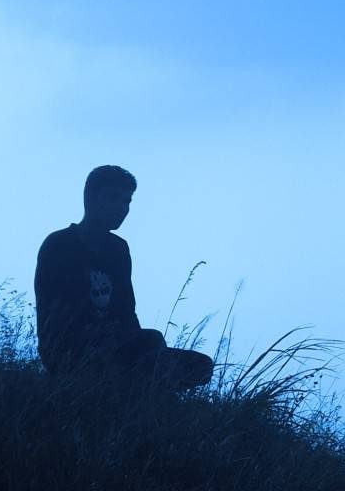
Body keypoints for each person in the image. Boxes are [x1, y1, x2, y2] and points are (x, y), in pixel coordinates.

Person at [34, 165, 213, 391]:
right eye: (113, 198)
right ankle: (131, 395)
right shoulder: (59, 244)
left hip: (115, 348)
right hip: (71, 351)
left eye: (127, 201)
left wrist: (140, 346)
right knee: (151, 348)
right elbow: (56, 316)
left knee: (200, 365)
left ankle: (138, 393)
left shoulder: (118, 249)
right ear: (89, 198)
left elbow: (126, 311)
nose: (122, 208)